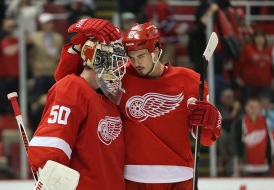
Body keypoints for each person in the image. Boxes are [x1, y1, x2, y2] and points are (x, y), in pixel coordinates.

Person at [54, 19, 222, 190]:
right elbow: (69, 84)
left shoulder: (190, 80)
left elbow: (206, 138)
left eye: (141, 56)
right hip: (133, 178)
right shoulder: (120, 77)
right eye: (131, 57)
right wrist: (77, 47)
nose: (136, 63)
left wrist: (212, 119)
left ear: (156, 51)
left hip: (179, 178)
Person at [28, 19, 128, 189]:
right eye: (114, 59)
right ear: (96, 60)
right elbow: (51, 147)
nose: (120, 65)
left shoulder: (109, 99)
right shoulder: (72, 88)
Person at [231, 97, 273, 177]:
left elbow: (270, 142)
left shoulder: (265, 121)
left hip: (264, 166)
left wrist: (270, 161)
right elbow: (235, 142)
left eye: (256, 107)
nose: (254, 109)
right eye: (251, 107)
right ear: (246, 107)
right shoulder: (240, 122)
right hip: (246, 167)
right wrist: (237, 162)